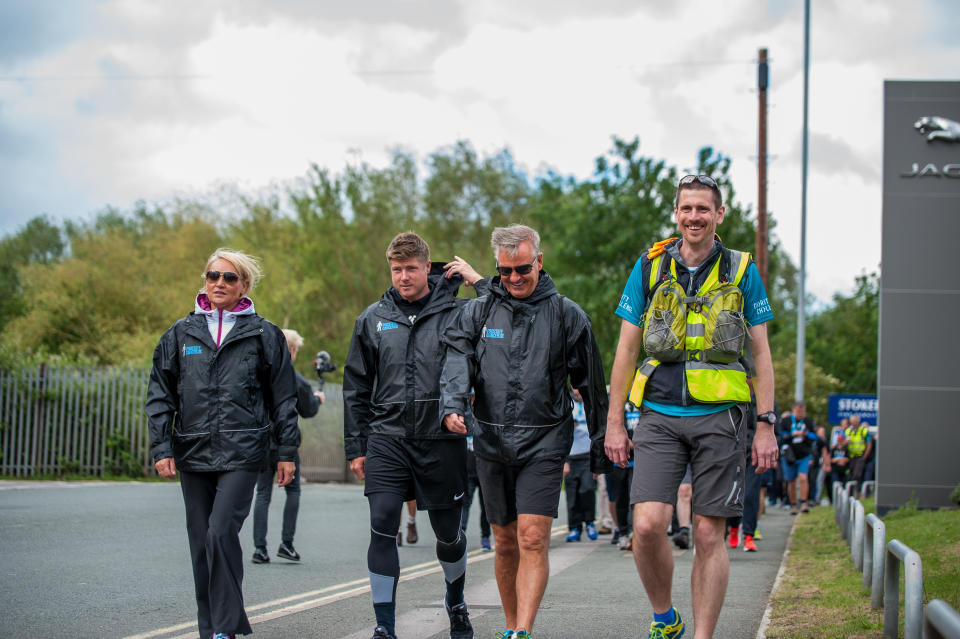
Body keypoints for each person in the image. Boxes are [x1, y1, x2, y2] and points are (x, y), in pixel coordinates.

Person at [604, 174, 778, 639]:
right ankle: (666, 618)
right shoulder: (650, 266)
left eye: (704, 209)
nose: (694, 217)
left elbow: (760, 352)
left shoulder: (741, 269)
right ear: (676, 214)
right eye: (687, 209)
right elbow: (625, 349)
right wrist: (615, 421)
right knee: (646, 525)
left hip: (722, 416)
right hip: (659, 413)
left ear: (719, 215)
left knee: (706, 534)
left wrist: (766, 423)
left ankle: (703, 636)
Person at [440, 224, 608, 639]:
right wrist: (453, 404)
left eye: (522, 269)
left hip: (545, 440)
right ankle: (511, 624)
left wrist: (604, 445)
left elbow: (592, 384)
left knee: (533, 537)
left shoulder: (568, 316)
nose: (514, 278)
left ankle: (523, 632)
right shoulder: (478, 313)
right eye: (505, 271)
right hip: (492, 441)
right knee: (505, 540)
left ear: (539, 261)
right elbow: (457, 360)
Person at [146, 248, 300, 639]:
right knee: (201, 544)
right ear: (205, 280)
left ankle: (225, 629)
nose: (219, 283)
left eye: (229, 278)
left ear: (244, 285)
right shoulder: (180, 334)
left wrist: (286, 453)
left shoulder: (264, 334)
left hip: (243, 452)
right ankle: (211, 628)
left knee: (219, 532)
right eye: (213, 275)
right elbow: (160, 395)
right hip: (193, 450)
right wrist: (161, 447)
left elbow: (283, 398)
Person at [343, 232, 483, 639]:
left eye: (411, 268)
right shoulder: (372, 319)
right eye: (396, 269)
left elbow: (504, 307)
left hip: (440, 440)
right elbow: (355, 387)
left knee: (448, 534)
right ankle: (384, 626)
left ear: (428, 268)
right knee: (383, 522)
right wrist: (356, 446)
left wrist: (478, 280)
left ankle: (455, 600)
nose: (404, 276)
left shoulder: (459, 313)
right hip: (386, 439)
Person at [251, 329, 325, 564]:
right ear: (291, 350)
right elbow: (308, 409)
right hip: (286, 441)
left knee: (263, 493)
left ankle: (259, 549)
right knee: (292, 491)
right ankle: (286, 543)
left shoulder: (258, 373)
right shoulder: (295, 378)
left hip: (262, 439)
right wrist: (318, 399)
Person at [564, 388, 599, 542]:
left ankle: (590, 522)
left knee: (587, 490)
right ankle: (574, 528)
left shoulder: (592, 403)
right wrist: (564, 461)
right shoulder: (567, 403)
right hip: (571, 457)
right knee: (572, 495)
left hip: (587, 456)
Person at [779, 402, 816, 515]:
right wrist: (791, 434)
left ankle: (804, 502)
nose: (801, 413)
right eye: (799, 411)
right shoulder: (786, 421)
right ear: (794, 410)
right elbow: (780, 434)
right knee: (791, 481)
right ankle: (793, 504)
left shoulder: (808, 422)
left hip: (804, 454)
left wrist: (805, 435)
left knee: (803, 477)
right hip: (790, 455)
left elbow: (815, 436)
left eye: (803, 411)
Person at [462, 435, 493, 551]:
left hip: (485, 473)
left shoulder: (485, 422)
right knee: (464, 505)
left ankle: (485, 537)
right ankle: (460, 537)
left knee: (486, 507)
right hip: (467, 474)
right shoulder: (464, 422)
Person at [845, 415, 873, 496]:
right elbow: (843, 441)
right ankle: (851, 492)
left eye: (854, 421)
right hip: (851, 457)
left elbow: (869, 444)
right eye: (851, 421)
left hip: (860, 456)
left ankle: (857, 492)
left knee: (857, 475)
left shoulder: (863, 431)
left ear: (858, 421)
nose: (852, 423)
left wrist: (864, 457)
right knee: (850, 474)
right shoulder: (848, 431)